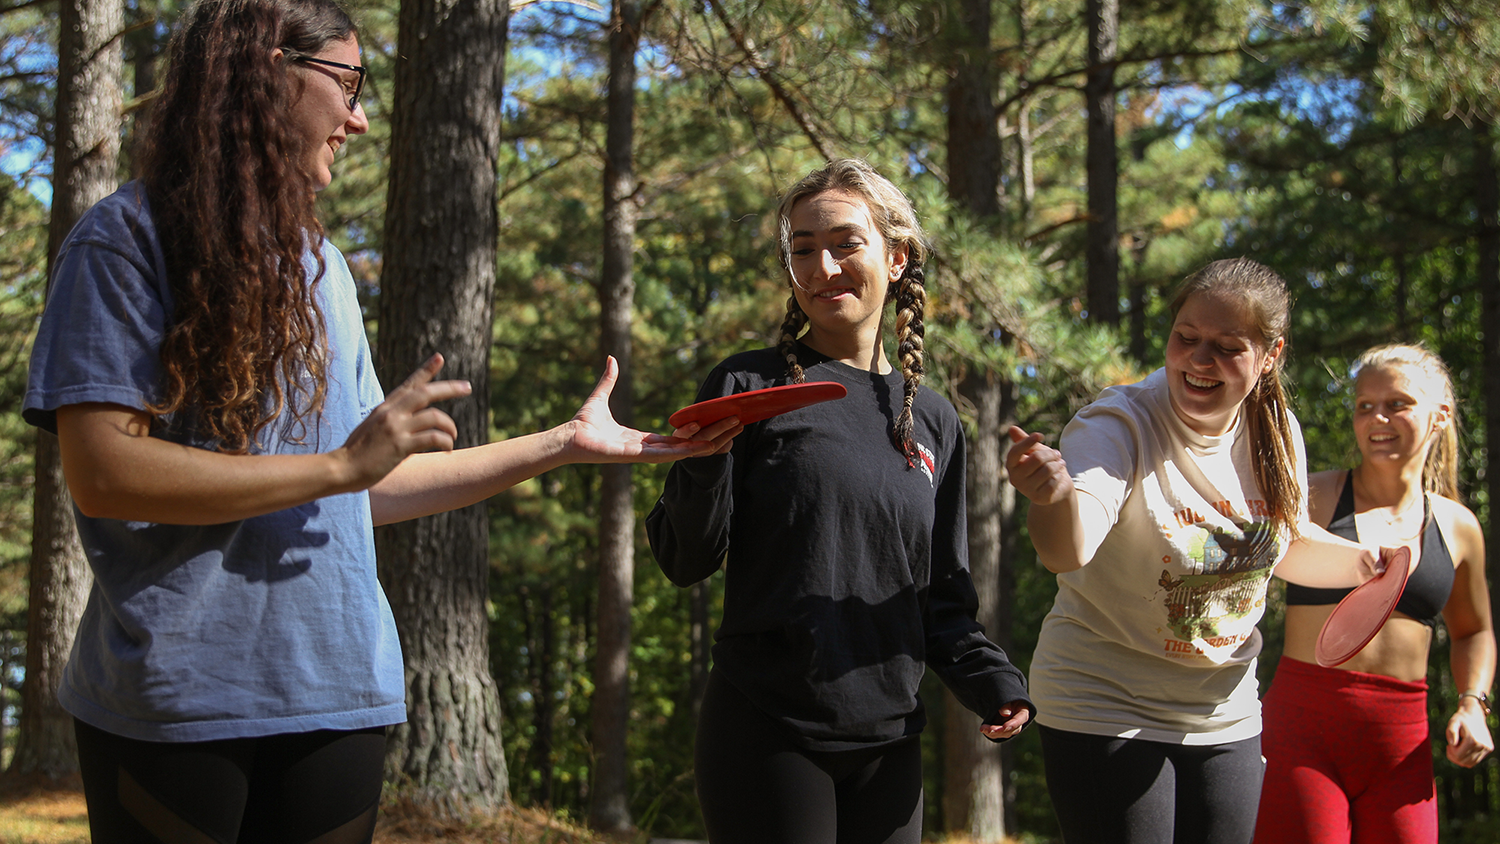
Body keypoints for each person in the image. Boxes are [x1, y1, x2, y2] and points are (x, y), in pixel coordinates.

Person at [22, 1, 713, 841]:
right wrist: (344, 469)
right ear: (268, 71)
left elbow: (367, 486)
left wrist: (563, 445)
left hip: (339, 696)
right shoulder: (123, 242)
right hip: (177, 701)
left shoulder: (324, 270)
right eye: (347, 83)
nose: (358, 117)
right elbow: (105, 474)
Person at [645, 158, 1033, 844]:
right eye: (802, 250)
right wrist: (703, 466)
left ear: (896, 255)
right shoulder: (749, 384)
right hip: (767, 727)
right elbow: (685, 558)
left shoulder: (935, 422)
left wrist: (992, 679)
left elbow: (940, 597)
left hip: (889, 740)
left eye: (844, 244)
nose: (822, 268)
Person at [1005, 257, 1386, 844]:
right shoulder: (1119, 423)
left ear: (1270, 356)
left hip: (1223, 711)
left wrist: (1366, 564)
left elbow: (1276, 546)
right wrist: (1052, 498)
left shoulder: (1277, 430)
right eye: (1186, 338)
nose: (1199, 361)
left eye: (1226, 347)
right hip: (1104, 701)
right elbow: (1069, 548)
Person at [1254, 343, 1495, 843]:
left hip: (1400, 743)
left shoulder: (1458, 526)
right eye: (1365, 406)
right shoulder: (1312, 498)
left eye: (1397, 403)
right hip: (1302, 733)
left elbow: (1474, 631)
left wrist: (1473, 704)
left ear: (1439, 416)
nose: (1377, 418)